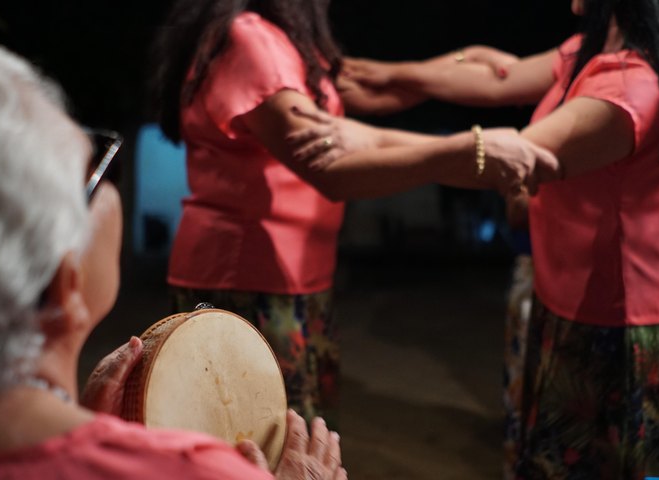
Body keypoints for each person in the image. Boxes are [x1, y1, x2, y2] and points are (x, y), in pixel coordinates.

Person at [291, 0, 659, 476]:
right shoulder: (595, 48)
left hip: (624, 319)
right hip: (575, 301)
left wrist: (364, 137)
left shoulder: (632, 85)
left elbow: (511, 158)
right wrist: (391, 76)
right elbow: (496, 75)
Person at [0, 37, 348, 480]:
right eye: (95, 171)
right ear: (62, 288)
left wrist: (89, 427)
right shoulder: (196, 471)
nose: (109, 176)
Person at [149, 0, 557, 425]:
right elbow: (329, 167)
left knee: (298, 429)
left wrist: (458, 64)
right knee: (268, 440)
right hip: (250, 275)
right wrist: (468, 152)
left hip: (291, 274)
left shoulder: (285, 40)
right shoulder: (250, 38)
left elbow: (374, 91)